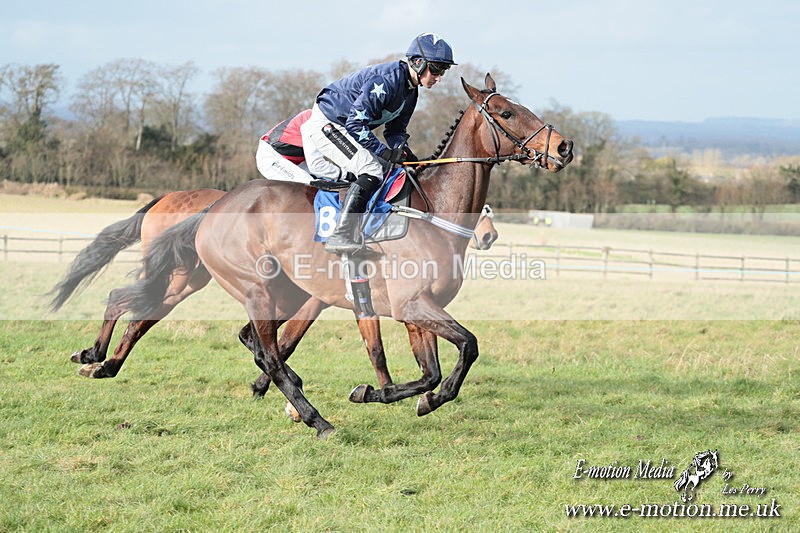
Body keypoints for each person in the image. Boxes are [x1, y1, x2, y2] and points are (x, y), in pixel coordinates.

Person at [300, 32, 457, 254]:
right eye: (437, 69)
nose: (439, 77)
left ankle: (364, 231)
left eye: (444, 71)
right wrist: (384, 151)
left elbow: (395, 130)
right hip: (330, 124)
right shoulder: (388, 80)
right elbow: (356, 123)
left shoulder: (411, 92)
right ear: (419, 63)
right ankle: (341, 235)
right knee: (371, 168)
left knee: (388, 169)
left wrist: (405, 153)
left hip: (347, 127)